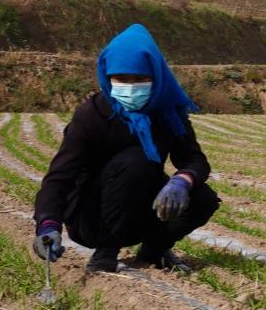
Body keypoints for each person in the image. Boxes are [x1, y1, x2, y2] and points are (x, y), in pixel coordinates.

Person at [31, 24, 221, 272]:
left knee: (204, 199)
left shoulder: (168, 114)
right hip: (92, 218)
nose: (131, 87)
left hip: (140, 212)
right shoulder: (92, 115)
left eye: (140, 79)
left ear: (156, 76)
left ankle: (154, 249)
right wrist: (48, 223)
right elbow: (60, 176)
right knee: (139, 159)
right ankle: (105, 253)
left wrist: (183, 181)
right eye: (121, 79)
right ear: (108, 78)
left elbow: (195, 160)